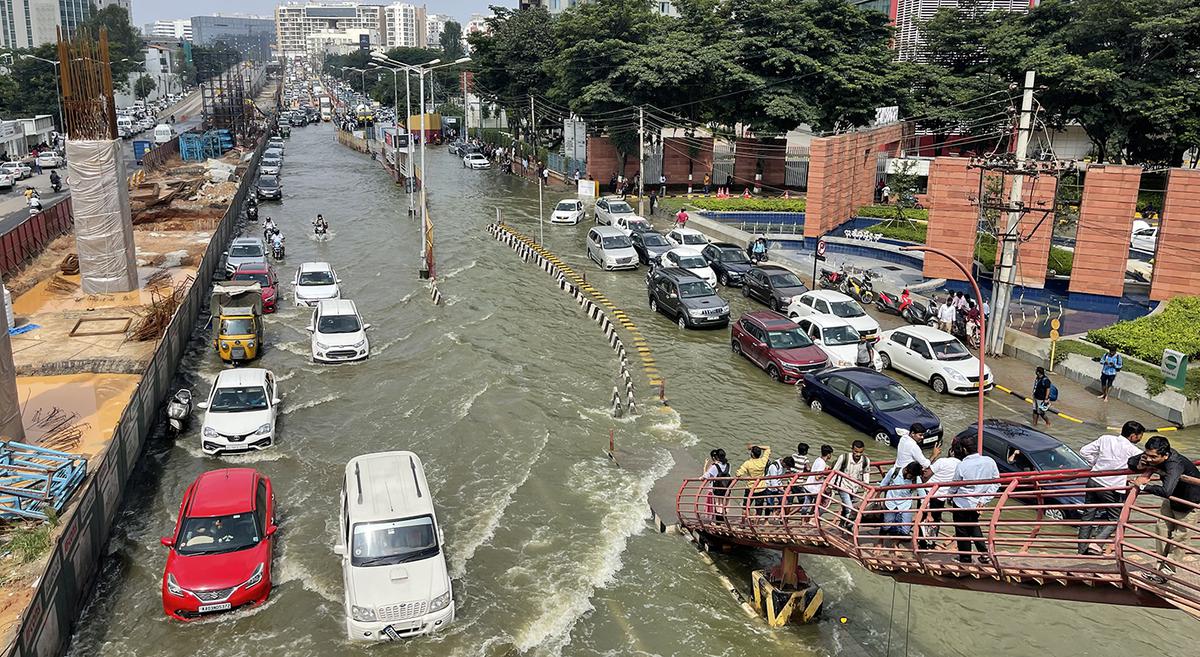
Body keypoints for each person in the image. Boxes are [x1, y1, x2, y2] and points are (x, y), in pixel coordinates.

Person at [1127, 436, 1200, 583]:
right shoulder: (1152, 455)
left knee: (1180, 539)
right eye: (1147, 455)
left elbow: (1166, 490)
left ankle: (1167, 572)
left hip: (1190, 502)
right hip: (1172, 499)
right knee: (1161, 530)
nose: (1150, 459)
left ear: (1165, 455)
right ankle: (1159, 567)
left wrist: (1142, 486)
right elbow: (1131, 461)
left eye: (1153, 457)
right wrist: (1140, 466)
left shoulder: (1175, 465)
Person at [1076, 421, 1145, 555]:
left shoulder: (1105, 438)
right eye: (1139, 436)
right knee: (1116, 518)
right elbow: (1145, 463)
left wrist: (1095, 464)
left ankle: (1081, 551)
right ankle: (1096, 543)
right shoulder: (1133, 450)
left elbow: (1084, 451)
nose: (1140, 438)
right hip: (1111, 487)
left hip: (1094, 480)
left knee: (1087, 516)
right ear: (1132, 436)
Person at [949, 441, 1001, 563]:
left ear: (964, 450)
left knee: (962, 531)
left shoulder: (962, 465)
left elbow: (954, 485)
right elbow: (996, 482)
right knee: (973, 526)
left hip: (962, 502)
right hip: (978, 503)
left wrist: (949, 496)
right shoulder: (989, 461)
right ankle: (984, 554)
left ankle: (965, 558)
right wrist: (984, 500)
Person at [830, 440, 871, 522]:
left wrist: (866, 484)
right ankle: (850, 528)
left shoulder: (866, 461)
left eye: (860, 452)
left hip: (855, 488)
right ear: (852, 449)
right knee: (850, 509)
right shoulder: (844, 458)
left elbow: (866, 472)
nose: (858, 454)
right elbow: (834, 471)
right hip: (843, 486)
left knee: (847, 507)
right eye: (856, 452)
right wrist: (830, 486)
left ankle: (842, 524)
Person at [883, 461, 925, 537]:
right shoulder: (894, 472)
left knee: (905, 530)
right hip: (890, 502)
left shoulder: (916, 479)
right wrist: (877, 497)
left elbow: (923, 496)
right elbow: (883, 484)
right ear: (906, 470)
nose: (912, 478)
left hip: (905, 505)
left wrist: (924, 513)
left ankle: (895, 543)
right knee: (886, 525)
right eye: (911, 476)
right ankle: (880, 542)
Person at [736, 443, 772, 515]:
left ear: (752, 454)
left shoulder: (748, 463)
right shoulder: (763, 461)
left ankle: (743, 523)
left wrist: (746, 478)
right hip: (761, 488)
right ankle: (756, 522)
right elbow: (768, 447)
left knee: (745, 506)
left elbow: (738, 474)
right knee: (759, 508)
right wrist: (755, 446)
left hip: (750, 487)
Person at [702, 449, 732, 520]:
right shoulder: (728, 465)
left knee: (717, 504)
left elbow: (706, 476)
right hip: (725, 488)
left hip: (716, 488)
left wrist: (705, 466)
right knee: (723, 504)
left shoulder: (714, 466)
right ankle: (723, 520)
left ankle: (718, 522)